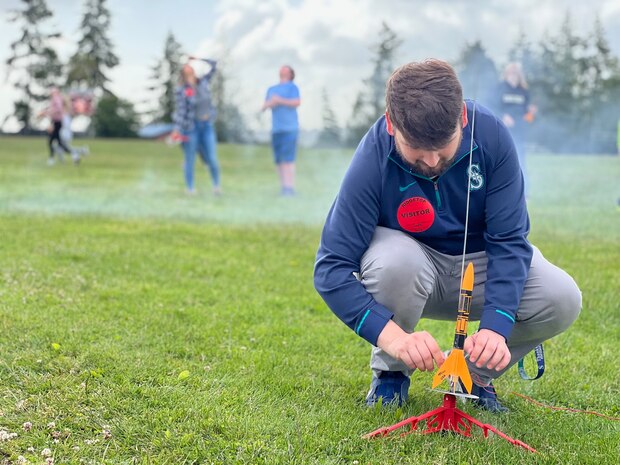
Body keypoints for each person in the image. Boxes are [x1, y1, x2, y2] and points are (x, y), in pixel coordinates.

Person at [313, 60, 581, 413]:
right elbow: (331, 268)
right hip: (413, 271)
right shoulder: (373, 155)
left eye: (444, 145)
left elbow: (509, 241)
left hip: (481, 270)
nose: (432, 159)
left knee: (562, 296)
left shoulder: (492, 136)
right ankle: (391, 374)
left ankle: (472, 376)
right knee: (395, 263)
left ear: (463, 120)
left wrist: (496, 327)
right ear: (392, 124)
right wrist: (395, 339)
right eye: (417, 148)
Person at [171, 57, 221, 196]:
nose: (188, 66)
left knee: (211, 158)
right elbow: (180, 111)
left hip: (206, 126)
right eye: (185, 66)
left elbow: (214, 64)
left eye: (190, 65)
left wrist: (198, 58)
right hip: (190, 128)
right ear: (183, 72)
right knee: (189, 159)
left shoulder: (203, 82)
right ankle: (190, 188)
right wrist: (177, 129)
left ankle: (216, 186)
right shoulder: (181, 90)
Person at [496, 62, 536, 194]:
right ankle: (502, 191)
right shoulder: (499, 89)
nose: (513, 76)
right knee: (501, 162)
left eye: (516, 73)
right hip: (502, 133)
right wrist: (503, 116)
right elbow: (491, 107)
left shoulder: (524, 92)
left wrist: (531, 114)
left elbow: (529, 116)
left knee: (520, 161)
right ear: (506, 74)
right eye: (511, 73)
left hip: (519, 134)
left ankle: (524, 193)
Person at [262, 65, 301, 196]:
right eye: (281, 68)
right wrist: (270, 103)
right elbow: (264, 106)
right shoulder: (272, 89)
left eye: (286, 69)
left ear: (290, 74)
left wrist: (280, 100)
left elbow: (297, 102)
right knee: (279, 160)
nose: (282, 70)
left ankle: (290, 188)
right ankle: (284, 187)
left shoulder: (292, 87)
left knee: (288, 159)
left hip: (290, 128)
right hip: (276, 129)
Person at [43, 87, 80, 165]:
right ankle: (74, 155)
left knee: (53, 142)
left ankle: (52, 159)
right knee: (58, 143)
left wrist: (47, 113)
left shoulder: (56, 99)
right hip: (55, 122)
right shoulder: (55, 100)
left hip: (57, 122)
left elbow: (58, 110)